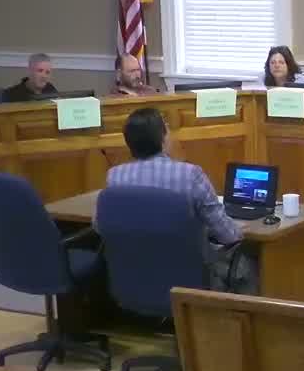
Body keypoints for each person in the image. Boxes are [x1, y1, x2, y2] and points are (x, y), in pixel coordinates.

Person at [100, 107, 255, 291]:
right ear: (163, 138)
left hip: (133, 280)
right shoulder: (190, 174)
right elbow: (227, 235)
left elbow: (101, 226)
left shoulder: (115, 176)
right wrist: (238, 230)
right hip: (188, 284)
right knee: (249, 260)